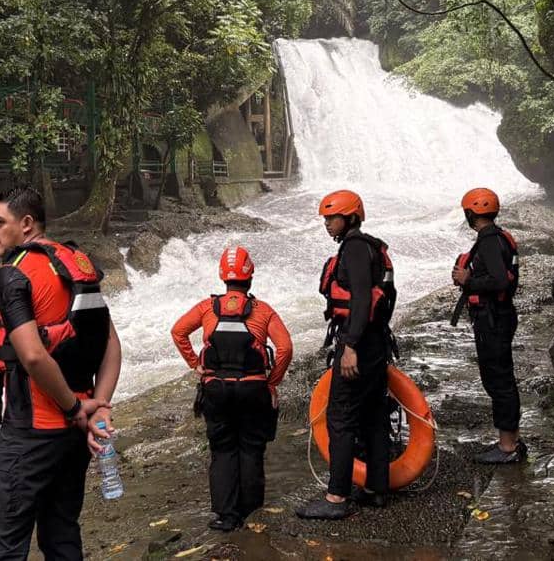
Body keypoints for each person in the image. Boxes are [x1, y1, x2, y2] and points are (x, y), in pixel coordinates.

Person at [0, 186, 123, 560]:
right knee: (61, 535)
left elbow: (32, 356)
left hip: (31, 434)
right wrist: (99, 406)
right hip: (74, 438)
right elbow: (111, 344)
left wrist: (73, 408)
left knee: (1, 547)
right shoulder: (77, 264)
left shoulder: (14, 274)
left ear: (26, 224)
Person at [170, 245, 293, 532]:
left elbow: (178, 331)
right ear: (250, 277)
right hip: (254, 389)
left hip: (216, 389)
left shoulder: (206, 307)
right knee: (251, 448)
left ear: (222, 277)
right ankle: (250, 513)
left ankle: (226, 516)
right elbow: (285, 348)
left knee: (222, 449)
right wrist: (272, 382)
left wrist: (195, 364)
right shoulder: (263, 310)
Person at [297, 189, 396, 519]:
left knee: (340, 418)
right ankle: (376, 489)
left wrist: (350, 345)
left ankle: (336, 497)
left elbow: (362, 300)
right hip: (375, 342)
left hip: (358, 342)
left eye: (333, 217)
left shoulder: (353, 248)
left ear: (351, 217)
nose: (327, 223)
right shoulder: (369, 246)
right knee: (373, 414)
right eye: (326, 218)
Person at [452, 186, 526, 464]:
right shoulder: (497, 237)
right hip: (499, 315)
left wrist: (468, 280)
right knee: (501, 378)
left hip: (493, 318)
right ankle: (512, 439)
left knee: (498, 380)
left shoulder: (489, 241)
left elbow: (500, 281)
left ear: (471, 213)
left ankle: (507, 447)